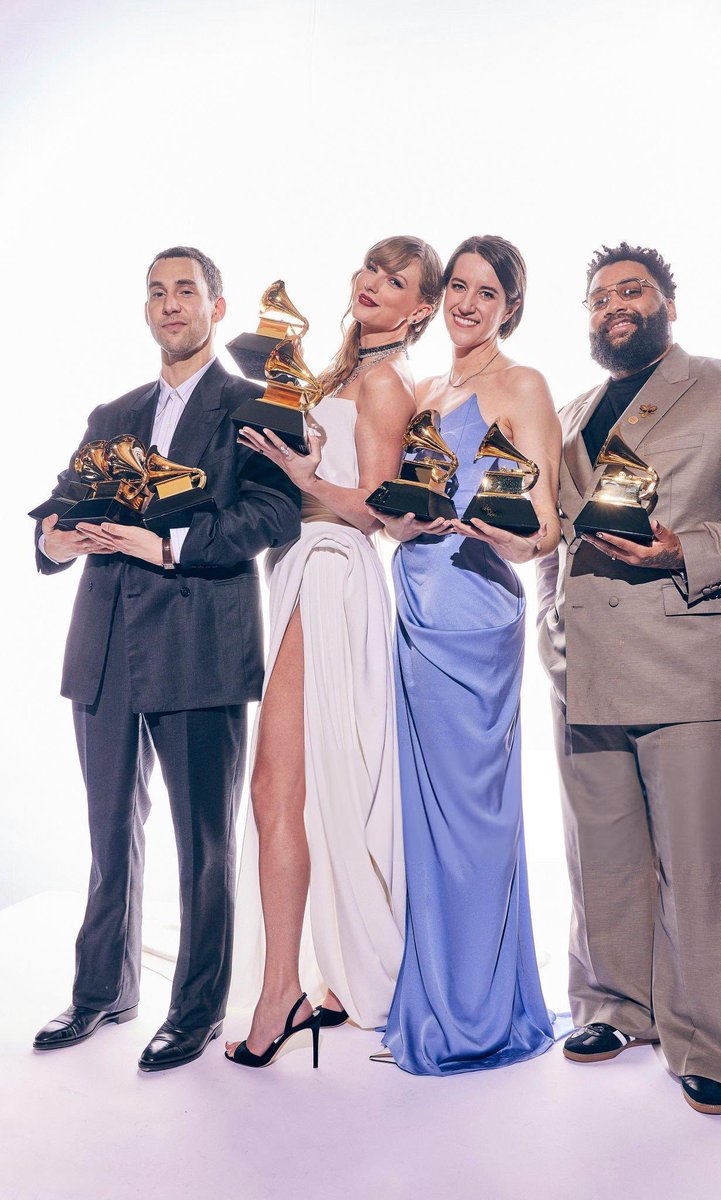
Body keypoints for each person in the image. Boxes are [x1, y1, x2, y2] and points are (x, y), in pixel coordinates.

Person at [537, 241, 721, 1115]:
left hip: (690, 657)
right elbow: (551, 530)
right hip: (584, 666)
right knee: (600, 856)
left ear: (668, 305)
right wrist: (543, 612)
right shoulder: (570, 411)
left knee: (699, 865)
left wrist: (684, 548)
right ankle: (617, 1005)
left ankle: (713, 1042)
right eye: (600, 296)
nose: (616, 304)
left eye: (634, 290)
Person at [32, 247, 300, 1071]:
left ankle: (195, 1009)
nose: (170, 303)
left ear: (217, 309)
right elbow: (56, 508)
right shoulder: (111, 412)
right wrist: (53, 537)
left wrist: (171, 543)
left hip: (199, 647)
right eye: (157, 291)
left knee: (204, 842)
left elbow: (273, 514)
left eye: (186, 290)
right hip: (105, 651)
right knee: (109, 831)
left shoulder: (254, 404)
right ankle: (102, 992)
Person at [224, 235, 443, 1069]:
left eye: (396, 282)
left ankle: (282, 989)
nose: (373, 286)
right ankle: (323, 979)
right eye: (371, 271)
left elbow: (382, 515)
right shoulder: (327, 375)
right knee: (294, 787)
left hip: (333, 570)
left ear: (420, 308)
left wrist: (307, 476)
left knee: (276, 784)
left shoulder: (385, 384)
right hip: (294, 569)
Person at [372, 234, 562, 1075]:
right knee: (424, 815)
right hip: (414, 596)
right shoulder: (422, 388)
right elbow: (396, 504)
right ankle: (438, 992)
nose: (468, 304)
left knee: (474, 819)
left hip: (478, 607)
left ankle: (478, 1015)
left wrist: (504, 536)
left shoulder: (523, 386)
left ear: (510, 307)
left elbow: (547, 526)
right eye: (459, 286)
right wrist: (398, 524)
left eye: (488, 293)